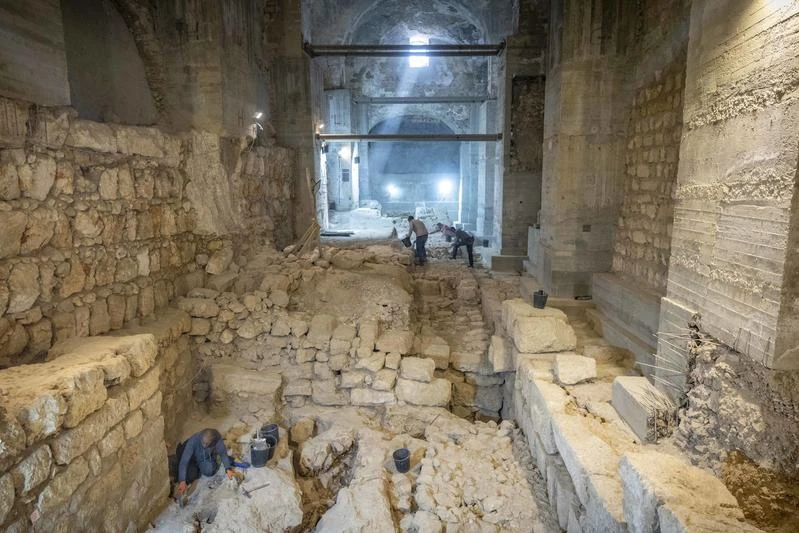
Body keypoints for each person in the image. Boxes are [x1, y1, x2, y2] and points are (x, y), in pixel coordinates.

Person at [172, 428, 236, 499]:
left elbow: (223, 453)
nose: (204, 445)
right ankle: (194, 471)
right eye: (203, 443)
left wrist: (228, 468)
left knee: (209, 471)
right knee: (190, 475)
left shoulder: (216, 438)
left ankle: (215, 457)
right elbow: (184, 461)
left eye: (207, 444)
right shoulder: (193, 440)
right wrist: (182, 480)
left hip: (203, 456)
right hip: (191, 457)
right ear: (201, 437)